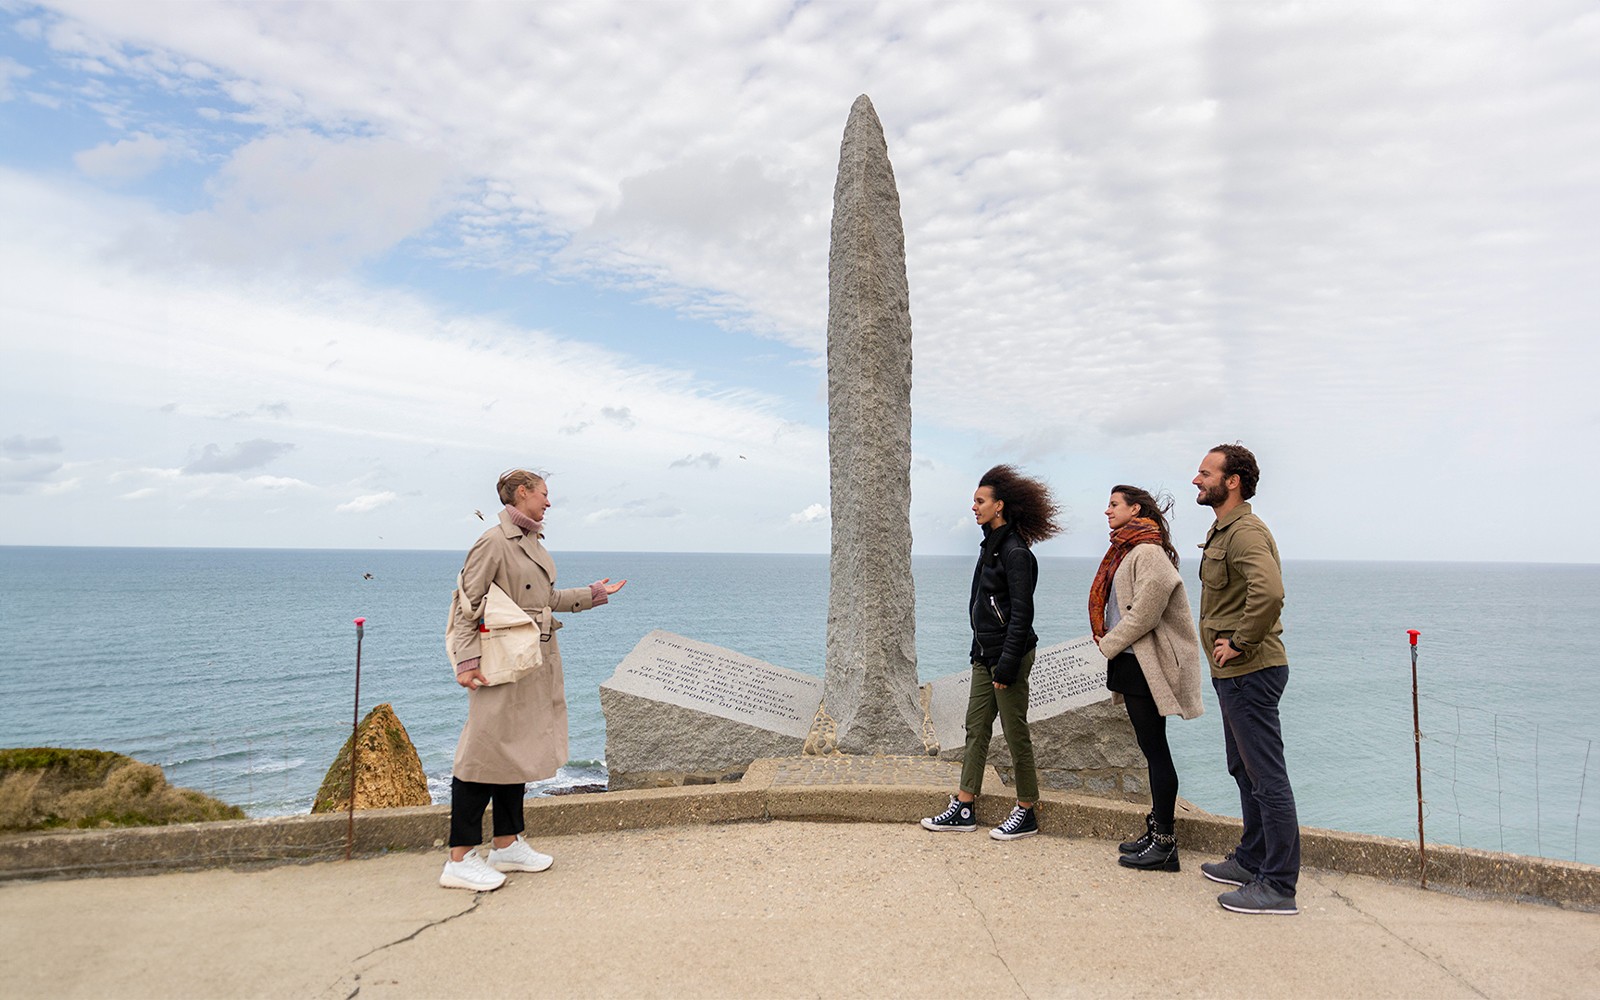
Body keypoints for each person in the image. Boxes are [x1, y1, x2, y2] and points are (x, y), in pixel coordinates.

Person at [440, 469, 626, 892]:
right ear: (522, 493)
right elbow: (467, 604)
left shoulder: (530, 541)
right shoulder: (493, 541)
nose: (549, 502)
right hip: (500, 663)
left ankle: (506, 843)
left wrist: (594, 594)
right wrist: (466, 663)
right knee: (481, 754)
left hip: (531, 659)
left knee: (515, 753)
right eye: (544, 493)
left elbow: (544, 600)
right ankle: (460, 857)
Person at [921, 464, 1062, 841]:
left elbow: (1021, 616)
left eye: (980, 501)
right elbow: (981, 608)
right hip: (985, 656)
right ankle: (964, 806)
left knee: (1015, 734)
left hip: (1007, 657)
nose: (974, 507)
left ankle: (1027, 810)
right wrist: (978, 652)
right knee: (975, 729)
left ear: (999, 506)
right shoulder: (991, 547)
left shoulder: (1015, 553)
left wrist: (1007, 664)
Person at [1192, 443, 1299, 915]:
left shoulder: (1245, 532)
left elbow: (1270, 591)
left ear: (1232, 480)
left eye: (1205, 472)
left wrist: (1238, 642)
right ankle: (1254, 857)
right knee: (1244, 770)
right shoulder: (1222, 530)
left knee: (1267, 778)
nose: (1196, 480)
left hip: (1250, 670)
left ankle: (1278, 886)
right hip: (1232, 674)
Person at [1090, 485, 1203, 872]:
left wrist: (1105, 645)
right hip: (1132, 659)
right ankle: (1156, 831)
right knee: (1149, 746)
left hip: (1145, 663)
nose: (1107, 511)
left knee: (1155, 750)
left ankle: (1166, 844)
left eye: (1114, 505)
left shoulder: (1148, 553)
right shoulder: (1129, 550)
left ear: (1135, 509)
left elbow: (1145, 615)